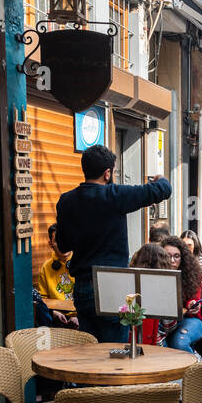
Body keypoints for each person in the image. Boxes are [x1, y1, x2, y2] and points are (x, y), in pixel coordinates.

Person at [55, 144, 171, 342]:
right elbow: (163, 190)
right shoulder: (115, 196)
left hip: (82, 287)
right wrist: (160, 179)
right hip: (112, 285)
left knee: (90, 350)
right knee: (114, 350)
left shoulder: (66, 201)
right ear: (107, 173)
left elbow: (63, 246)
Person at [158, 236, 202, 354]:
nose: (172, 260)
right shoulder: (154, 273)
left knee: (179, 343)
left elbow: (193, 300)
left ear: (183, 258)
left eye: (176, 256)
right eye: (167, 255)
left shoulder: (192, 274)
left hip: (189, 319)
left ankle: (197, 368)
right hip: (162, 323)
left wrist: (192, 305)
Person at [128, 243, 169, 346]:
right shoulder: (162, 288)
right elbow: (168, 326)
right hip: (156, 345)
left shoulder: (129, 283)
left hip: (130, 342)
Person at [35, 225, 74, 301]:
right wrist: (53, 312)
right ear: (50, 244)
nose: (63, 244)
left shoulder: (82, 263)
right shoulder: (45, 268)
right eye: (57, 241)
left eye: (66, 239)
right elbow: (43, 298)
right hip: (57, 311)